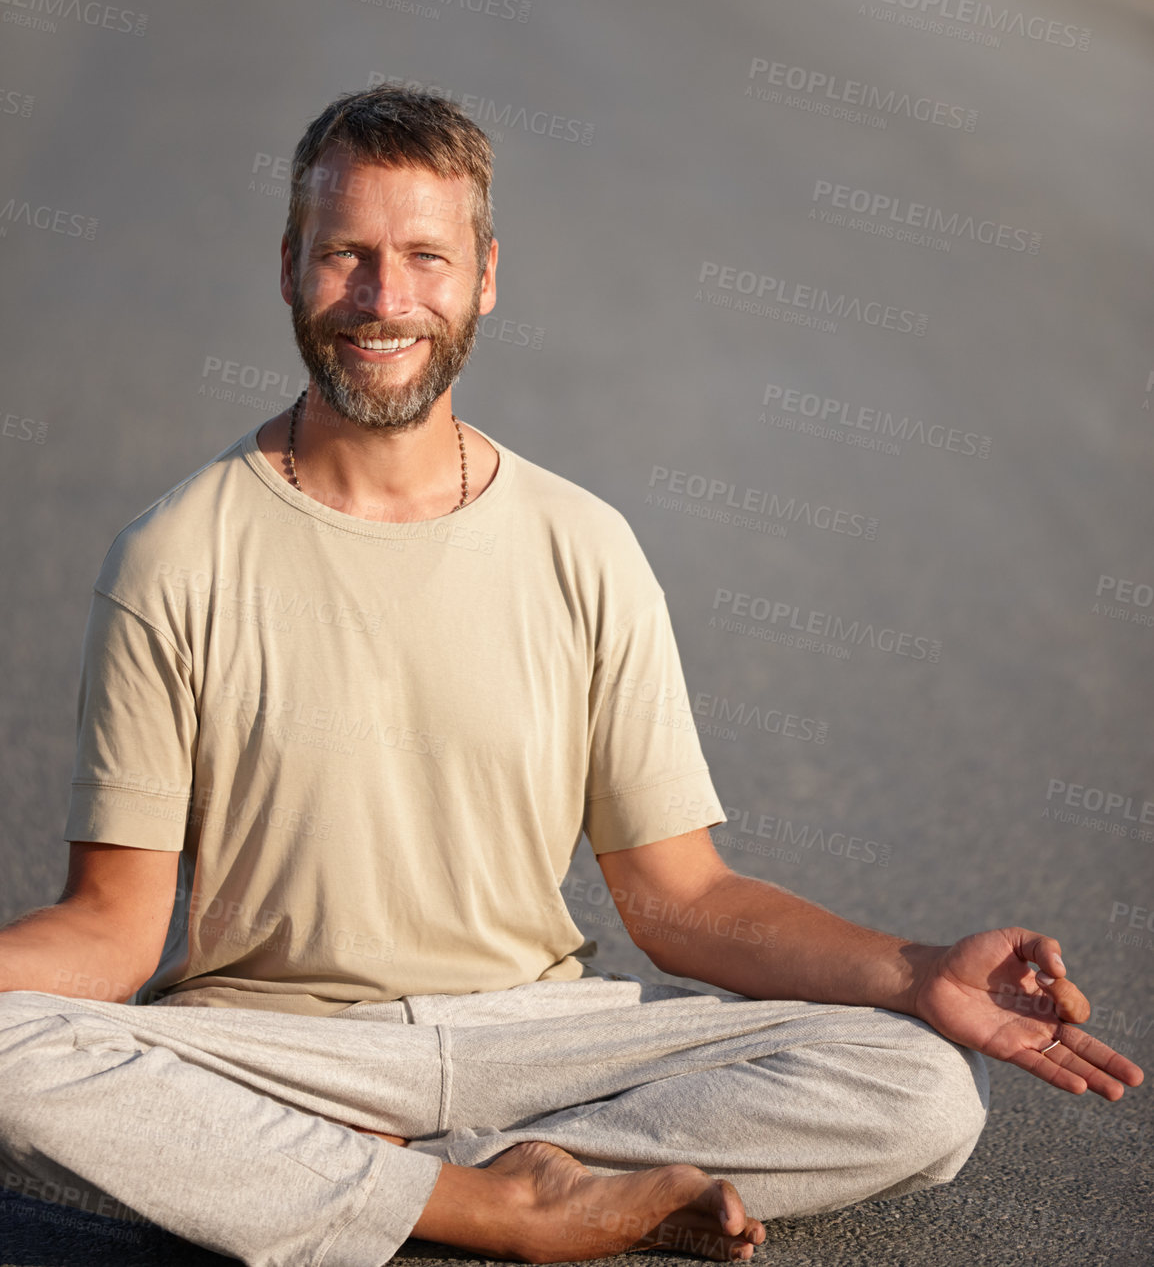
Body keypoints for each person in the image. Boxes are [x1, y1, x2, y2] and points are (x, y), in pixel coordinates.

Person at [0, 88, 1141, 1267]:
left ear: (484, 276)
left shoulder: (581, 544)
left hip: (540, 1037)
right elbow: (112, 933)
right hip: (281, 1051)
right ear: (290, 267)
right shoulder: (172, 557)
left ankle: (366, 1182)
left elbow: (678, 899)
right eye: (347, 255)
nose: (385, 302)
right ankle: (494, 1199)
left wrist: (913, 971)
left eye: (424, 259)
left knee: (920, 1083)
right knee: (12, 1058)